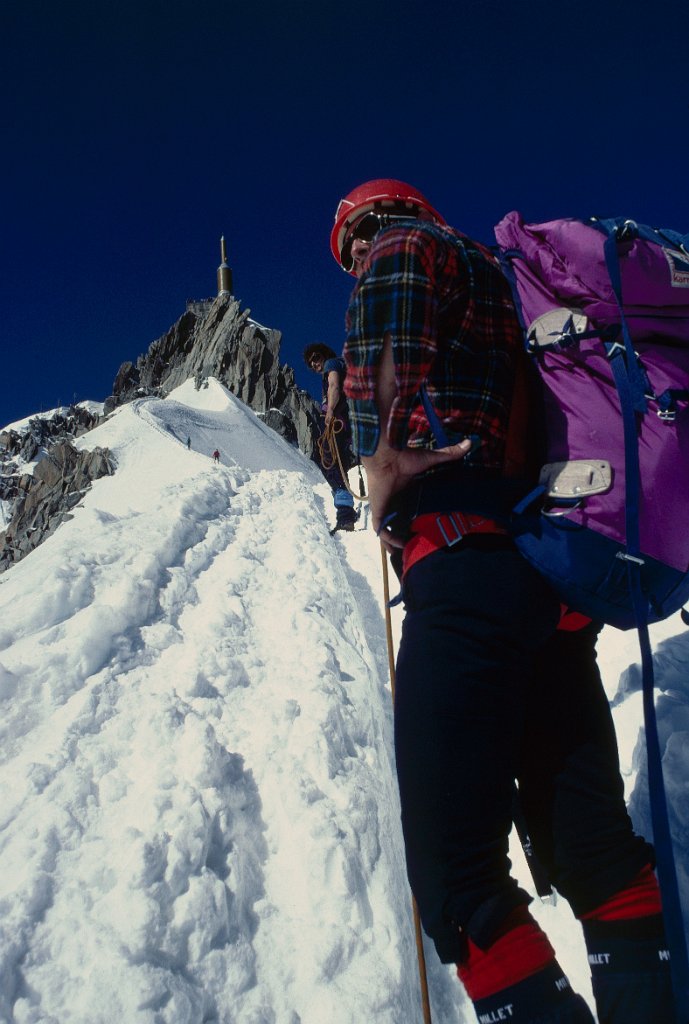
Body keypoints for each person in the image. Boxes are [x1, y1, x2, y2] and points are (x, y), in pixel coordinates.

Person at [330, 179, 676, 1024]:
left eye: (350, 249)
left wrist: (375, 468)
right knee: (594, 849)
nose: (355, 262)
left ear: (368, 222)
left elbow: (385, 375)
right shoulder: (505, 284)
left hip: (461, 572)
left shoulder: (401, 246)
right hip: (545, 591)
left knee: (457, 881)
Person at [303, 342, 359, 533]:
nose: (314, 364)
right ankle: (346, 511)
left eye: (316, 358)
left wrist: (331, 411)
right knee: (334, 462)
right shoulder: (339, 365)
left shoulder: (332, 364)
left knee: (329, 461)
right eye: (311, 363)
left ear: (324, 355)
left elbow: (334, 385)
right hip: (347, 423)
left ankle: (345, 514)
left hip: (338, 422)